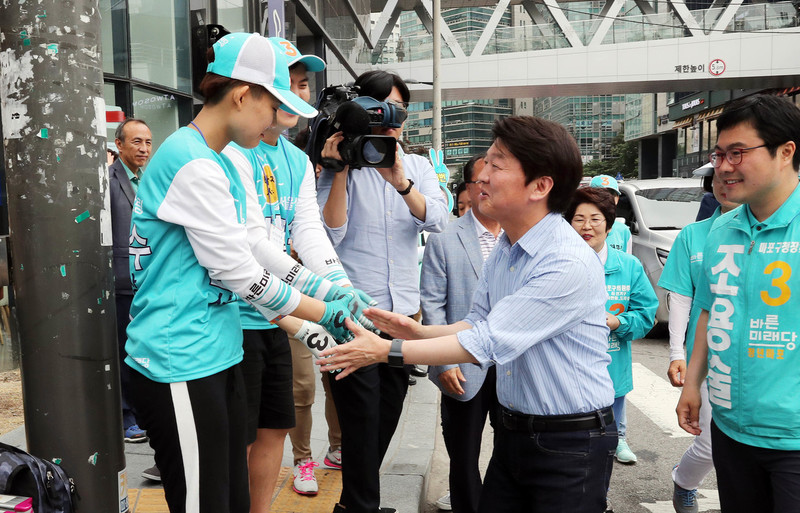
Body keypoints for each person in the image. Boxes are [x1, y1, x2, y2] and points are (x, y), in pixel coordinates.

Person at [320, 116, 618, 513]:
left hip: (569, 445)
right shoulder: (510, 247)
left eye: (496, 166)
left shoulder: (565, 262)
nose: (482, 179)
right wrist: (416, 332)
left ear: (540, 186)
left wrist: (385, 351)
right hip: (514, 434)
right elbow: (478, 321)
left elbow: (485, 342)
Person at [125, 32, 363, 513]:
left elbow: (258, 242)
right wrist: (324, 312)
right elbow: (239, 271)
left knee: (228, 496)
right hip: (177, 359)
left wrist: (329, 289)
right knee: (204, 501)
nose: (276, 116)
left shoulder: (220, 159)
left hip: (213, 350)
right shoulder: (192, 162)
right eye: (272, 102)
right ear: (241, 95)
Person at [220, 38, 353, 508]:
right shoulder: (232, 151)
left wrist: (341, 284)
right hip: (234, 318)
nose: (299, 91)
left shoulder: (296, 159)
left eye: (302, 82)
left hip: (277, 311)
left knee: (276, 426)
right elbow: (251, 245)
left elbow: (308, 230)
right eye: (288, 82)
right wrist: (320, 299)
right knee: (236, 437)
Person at [316, 70, 449, 513]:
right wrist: (338, 173)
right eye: (381, 110)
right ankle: (361, 506)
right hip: (354, 316)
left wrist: (400, 182)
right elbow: (329, 234)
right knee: (361, 419)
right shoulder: (340, 166)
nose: (391, 121)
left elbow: (440, 222)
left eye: (400, 112)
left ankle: (354, 504)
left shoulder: (419, 166)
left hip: (403, 318)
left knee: (386, 415)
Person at [676, 94, 800, 512]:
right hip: (730, 429)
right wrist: (693, 383)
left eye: (738, 153)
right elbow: (710, 310)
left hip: (793, 440)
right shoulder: (721, 230)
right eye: (719, 154)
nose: (724, 166)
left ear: (786, 152)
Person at [421, 153, 500, 513]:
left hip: (515, 365)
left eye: (494, 180)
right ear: (467, 188)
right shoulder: (444, 239)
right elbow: (433, 306)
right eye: (480, 182)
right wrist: (445, 360)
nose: (487, 188)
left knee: (512, 452)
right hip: (462, 367)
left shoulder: (521, 235)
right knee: (463, 454)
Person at [659, 168, 739, 513]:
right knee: (709, 442)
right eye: (718, 181)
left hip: (760, 354)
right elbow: (680, 297)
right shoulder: (694, 236)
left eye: (732, 179)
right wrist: (677, 352)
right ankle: (685, 481)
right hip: (707, 356)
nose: (726, 186)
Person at [565, 187, 658, 466]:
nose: (586, 226)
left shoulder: (628, 266)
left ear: (608, 224)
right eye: (578, 219)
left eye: (595, 219)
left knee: (605, 448)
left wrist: (619, 321)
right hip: (567, 375)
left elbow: (646, 315)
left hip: (611, 371)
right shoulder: (558, 265)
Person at [109, 118, 152, 445]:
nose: (144, 148)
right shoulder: (108, 181)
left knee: (143, 348)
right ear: (119, 144)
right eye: (136, 142)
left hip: (151, 278)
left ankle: (143, 411)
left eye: (148, 142)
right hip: (122, 279)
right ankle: (126, 416)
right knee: (124, 350)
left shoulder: (152, 179)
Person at [589, 175, 632, 253]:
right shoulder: (581, 227)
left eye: (611, 194)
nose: (606, 198)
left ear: (617, 199)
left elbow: (626, 261)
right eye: (600, 193)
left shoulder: (623, 231)